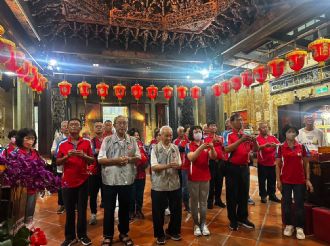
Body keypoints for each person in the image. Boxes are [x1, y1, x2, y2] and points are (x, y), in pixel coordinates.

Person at [98, 115, 141, 246]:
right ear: (115, 126)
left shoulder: (132, 140)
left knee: (124, 208)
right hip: (110, 180)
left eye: (124, 123)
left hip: (127, 180)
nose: (122, 125)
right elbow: (100, 159)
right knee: (109, 209)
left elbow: (138, 156)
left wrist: (129, 159)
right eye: (120, 123)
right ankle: (108, 236)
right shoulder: (107, 140)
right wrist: (116, 161)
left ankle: (124, 233)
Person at [56, 118, 95, 246]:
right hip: (67, 181)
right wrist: (67, 156)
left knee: (83, 210)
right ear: (68, 127)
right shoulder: (62, 144)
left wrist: (83, 156)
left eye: (76, 125)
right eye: (71, 124)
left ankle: (83, 235)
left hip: (83, 180)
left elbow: (92, 160)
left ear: (80, 128)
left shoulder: (87, 142)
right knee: (69, 210)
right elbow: (57, 162)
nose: (73, 127)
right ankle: (70, 237)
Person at [275, 124, 313, 240]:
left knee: (299, 204)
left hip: (299, 180)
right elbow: (277, 165)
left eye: (293, 132)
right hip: (286, 180)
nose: (291, 134)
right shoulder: (280, 147)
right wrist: (278, 181)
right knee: (286, 204)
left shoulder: (302, 147)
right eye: (289, 132)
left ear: (296, 134)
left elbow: (306, 164)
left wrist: (307, 179)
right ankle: (289, 225)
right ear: (285, 134)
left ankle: (299, 227)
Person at [224, 113, 258, 231]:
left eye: (242, 120)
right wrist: (240, 140)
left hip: (244, 168)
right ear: (232, 122)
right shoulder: (227, 134)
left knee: (244, 194)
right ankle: (233, 219)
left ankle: (243, 217)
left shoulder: (245, 135)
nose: (241, 122)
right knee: (232, 194)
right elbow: (227, 149)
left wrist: (255, 141)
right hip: (232, 167)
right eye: (238, 120)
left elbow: (255, 150)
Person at [150, 126, 182, 245]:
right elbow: (154, 166)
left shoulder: (175, 148)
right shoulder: (155, 148)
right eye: (166, 135)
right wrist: (168, 166)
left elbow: (179, 163)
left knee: (176, 209)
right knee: (158, 211)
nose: (169, 138)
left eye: (170, 135)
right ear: (160, 135)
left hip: (174, 183)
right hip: (159, 184)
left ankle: (173, 231)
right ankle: (160, 234)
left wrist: (177, 165)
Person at [186, 126, 217, 237]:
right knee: (194, 202)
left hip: (205, 176)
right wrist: (200, 148)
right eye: (196, 132)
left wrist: (212, 148)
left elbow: (214, 157)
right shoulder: (188, 145)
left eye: (200, 131)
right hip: (193, 177)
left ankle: (203, 224)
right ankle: (196, 224)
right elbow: (191, 158)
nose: (198, 133)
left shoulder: (206, 144)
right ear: (192, 134)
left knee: (203, 202)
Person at [14, 128, 41, 224]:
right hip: (20, 189)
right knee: (19, 215)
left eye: (32, 138)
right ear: (21, 139)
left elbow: (40, 168)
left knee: (29, 213)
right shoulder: (15, 153)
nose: (30, 141)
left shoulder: (35, 153)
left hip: (33, 187)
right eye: (27, 138)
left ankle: (28, 231)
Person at [256, 123, 281, 203]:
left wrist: (276, 145)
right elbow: (256, 148)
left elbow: (280, 144)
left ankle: (272, 195)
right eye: (263, 127)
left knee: (272, 180)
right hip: (262, 163)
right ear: (259, 130)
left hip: (272, 163)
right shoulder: (257, 138)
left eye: (266, 127)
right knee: (262, 180)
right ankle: (263, 195)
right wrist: (264, 146)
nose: (265, 129)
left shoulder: (272, 137)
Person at [128, 128, 149, 220]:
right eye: (134, 135)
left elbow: (145, 156)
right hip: (131, 174)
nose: (137, 137)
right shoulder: (127, 144)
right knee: (131, 194)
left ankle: (139, 210)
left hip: (141, 174)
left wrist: (144, 162)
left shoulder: (141, 144)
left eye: (137, 135)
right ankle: (131, 211)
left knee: (140, 194)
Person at [204, 121, 226, 209]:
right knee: (211, 182)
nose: (213, 127)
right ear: (208, 128)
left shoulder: (221, 137)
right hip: (211, 163)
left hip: (220, 162)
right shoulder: (205, 138)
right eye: (212, 126)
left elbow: (224, 148)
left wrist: (221, 142)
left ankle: (218, 200)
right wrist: (213, 141)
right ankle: (210, 201)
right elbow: (206, 148)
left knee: (219, 181)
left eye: (215, 126)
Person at [51, 120, 69, 214]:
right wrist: (63, 153)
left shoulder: (74, 138)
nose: (65, 127)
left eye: (67, 125)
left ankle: (73, 205)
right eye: (63, 126)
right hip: (61, 167)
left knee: (71, 186)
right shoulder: (58, 139)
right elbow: (53, 151)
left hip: (71, 167)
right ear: (61, 128)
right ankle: (62, 205)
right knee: (61, 187)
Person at [89, 121, 104, 225]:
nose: (99, 128)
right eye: (97, 126)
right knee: (93, 195)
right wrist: (98, 151)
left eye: (100, 127)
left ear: (103, 129)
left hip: (106, 171)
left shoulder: (108, 140)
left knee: (107, 194)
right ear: (94, 129)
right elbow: (91, 152)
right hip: (94, 172)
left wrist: (99, 151)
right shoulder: (91, 141)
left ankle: (108, 214)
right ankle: (93, 214)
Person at [173, 126, 190, 212]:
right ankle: (186, 204)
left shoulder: (191, 140)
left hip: (191, 166)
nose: (182, 133)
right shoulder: (177, 141)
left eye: (183, 131)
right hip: (182, 165)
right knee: (184, 186)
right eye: (180, 131)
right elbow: (177, 150)